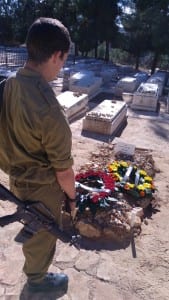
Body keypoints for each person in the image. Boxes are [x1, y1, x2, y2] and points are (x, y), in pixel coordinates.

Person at [0, 17, 76, 292]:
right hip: (42, 188)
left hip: (15, 180)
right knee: (43, 237)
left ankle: (34, 267)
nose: (62, 66)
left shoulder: (9, 85)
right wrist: (71, 196)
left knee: (33, 229)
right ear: (57, 55)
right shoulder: (51, 112)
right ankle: (37, 281)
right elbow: (64, 173)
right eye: (64, 59)